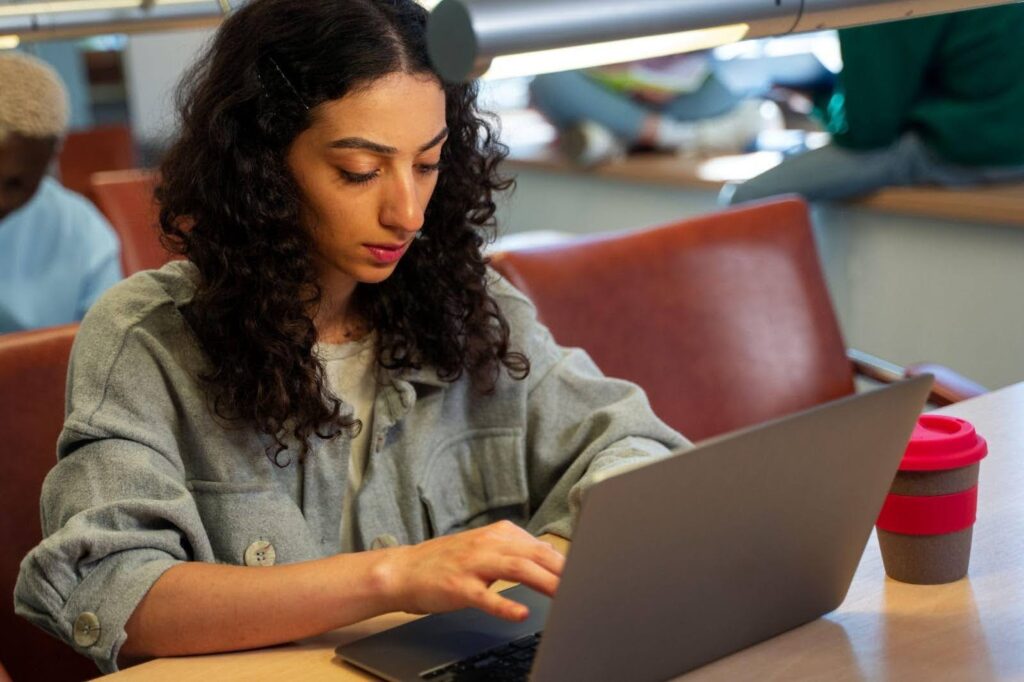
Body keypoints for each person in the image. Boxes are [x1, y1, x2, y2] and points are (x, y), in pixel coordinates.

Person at [14, 0, 688, 674]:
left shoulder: (467, 305)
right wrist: (393, 578)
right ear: (261, 166)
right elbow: (117, 594)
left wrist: (558, 561)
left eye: (427, 164)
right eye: (360, 171)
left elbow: (636, 447)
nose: (408, 213)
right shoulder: (147, 340)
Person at [723, 5, 1024, 204]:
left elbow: (868, 130)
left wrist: (814, 98)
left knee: (746, 198)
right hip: (1005, 139)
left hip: (971, 147)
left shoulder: (870, 8)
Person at [0, 52, 123, 333]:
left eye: (17, 184)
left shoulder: (83, 232)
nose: (1, 200)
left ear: (49, 160)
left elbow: (109, 342)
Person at [529, 54, 784, 167]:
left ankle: (618, 136)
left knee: (724, 84)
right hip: (615, 86)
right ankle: (689, 136)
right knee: (548, 80)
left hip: (688, 83)